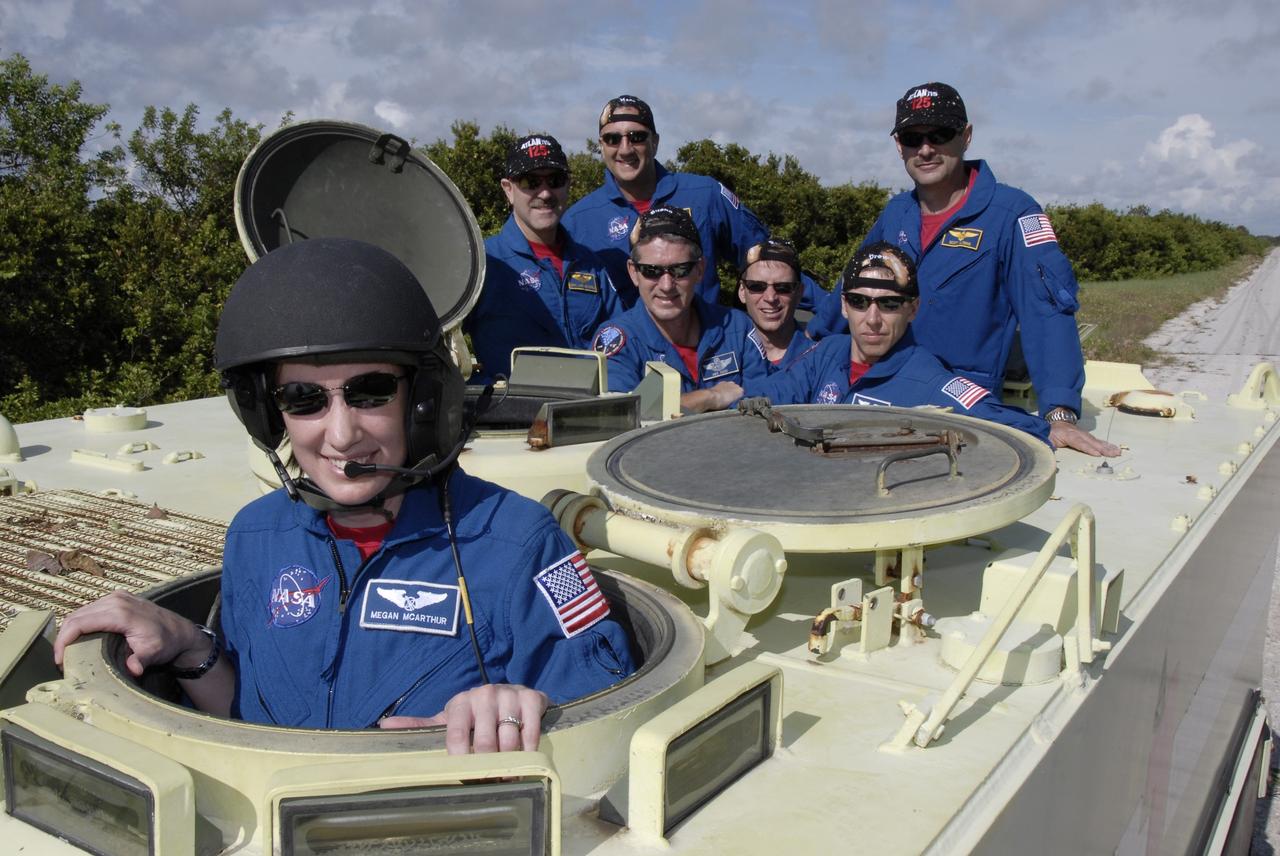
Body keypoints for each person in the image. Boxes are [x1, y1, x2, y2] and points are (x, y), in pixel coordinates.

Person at [53, 238, 635, 754]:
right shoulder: (255, 536)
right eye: (303, 398)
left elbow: (609, 716)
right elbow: (247, 725)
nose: (340, 434)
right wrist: (190, 648)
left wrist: (520, 709)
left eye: (370, 392)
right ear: (270, 415)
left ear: (423, 401)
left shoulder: (520, 544)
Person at [807, 82, 1117, 456]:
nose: (925, 149)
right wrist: (812, 338)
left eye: (940, 134)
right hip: (888, 395)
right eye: (913, 138)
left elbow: (1047, 311)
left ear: (966, 136)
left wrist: (1060, 412)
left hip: (962, 410)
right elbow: (854, 283)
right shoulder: (896, 213)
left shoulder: (1012, 214)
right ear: (899, 146)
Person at [747, 242, 1051, 445]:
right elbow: (770, 395)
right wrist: (728, 397)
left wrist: (1055, 426)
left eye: (889, 304)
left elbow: (1018, 428)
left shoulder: (931, 382)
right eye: (859, 302)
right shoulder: (826, 353)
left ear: (913, 309)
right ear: (844, 306)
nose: (872, 319)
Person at [561, 95, 772, 308]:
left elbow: (768, 260)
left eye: (637, 137)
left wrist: (741, 318)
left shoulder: (704, 194)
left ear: (654, 142)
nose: (625, 149)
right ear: (601, 146)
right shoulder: (577, 221)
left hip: (706, 329)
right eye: (612, 139)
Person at [464, 134, 622, 383]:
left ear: (568, 184)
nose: (546, 193)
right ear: (508, 189)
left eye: (555, 180)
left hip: (588, 404)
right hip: (511, 407)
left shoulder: (592, 265)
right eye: (531, 182)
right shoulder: (483, 264)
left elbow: (620, 339)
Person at [591, 205, 768, 413]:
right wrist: (709, 397)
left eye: (680, 270)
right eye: (651, 271)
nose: (666, 285)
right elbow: (618, 417)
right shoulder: (617, 342)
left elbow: (766, 400)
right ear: (633, 272)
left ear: (700, 269)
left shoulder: (738, 329)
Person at [739, 237, 816, 373]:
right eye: (757, 286)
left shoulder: (820, 359)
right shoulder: (719, 353)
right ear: (742, 292)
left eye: (783, 287)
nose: (770, 297)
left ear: (799, 293)